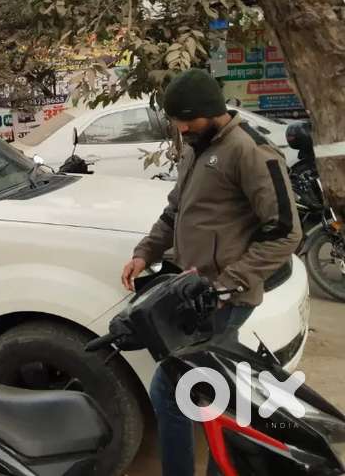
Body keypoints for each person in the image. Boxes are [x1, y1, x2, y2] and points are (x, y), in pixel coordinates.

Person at [120, 69, 301, 476]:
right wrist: (144, 252)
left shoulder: (250, 152)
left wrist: (227, 283)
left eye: (187, 120)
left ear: (212, 113)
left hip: (225, 298)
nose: (181, 128)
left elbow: (286, 233)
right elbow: (174, 211)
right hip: (196, 292)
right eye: (176, 121)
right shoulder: (195, 146)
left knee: (171, 390)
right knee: (210, 390)